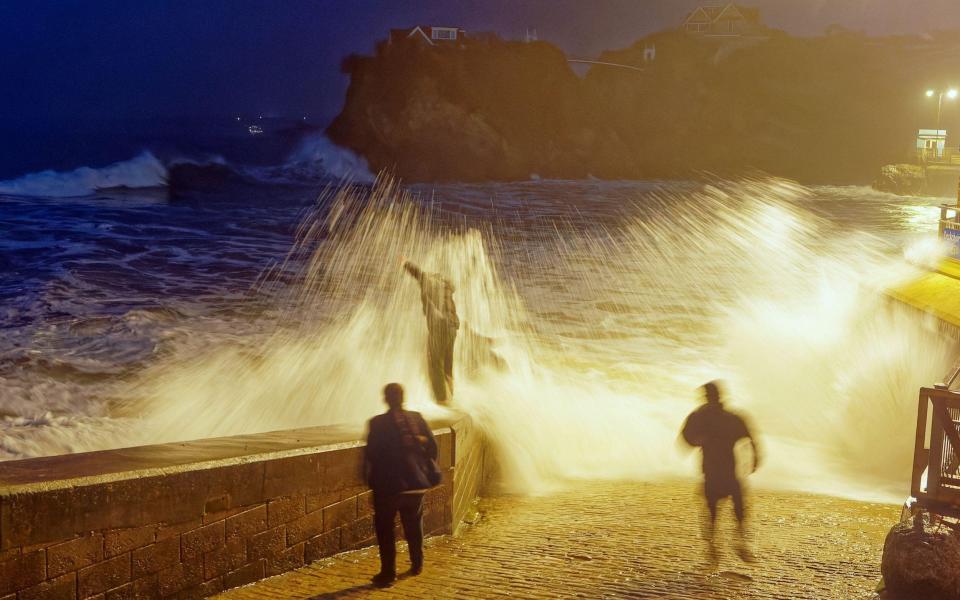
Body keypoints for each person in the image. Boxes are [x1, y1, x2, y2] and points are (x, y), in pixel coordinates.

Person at [364, 383, 439, 587]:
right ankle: (417, 563)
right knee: (414, 524)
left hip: (389, 486)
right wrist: (422, 468)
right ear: (403, 397)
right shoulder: (416, 418)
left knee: (385, 528)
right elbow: (433, 447)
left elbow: (371, 454)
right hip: (416, 483)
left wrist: (370, 479)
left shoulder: (377, 423)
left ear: (386, 399)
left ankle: (388, 573)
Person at [680, 380, 760, 565]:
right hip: (713, 473)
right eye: (709, 396)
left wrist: (755, 458)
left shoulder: (729, 418)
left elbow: (750, 437)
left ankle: (737, 543)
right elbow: (686, 438)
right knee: (713, 512)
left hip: (727, 473)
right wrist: (697, 440)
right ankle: (713, 547)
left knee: (737, 509)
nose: (711, 399)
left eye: (712, 396)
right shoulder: (703, 417)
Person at [403, 259, 459, 404]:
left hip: (439, 326)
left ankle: (442, 400)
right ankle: (451, 396)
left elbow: (418, 273)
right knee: (448, 364)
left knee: (434, 363)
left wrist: (405, 263)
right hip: (452, 327)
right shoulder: (446, 290)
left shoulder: (430, 282)